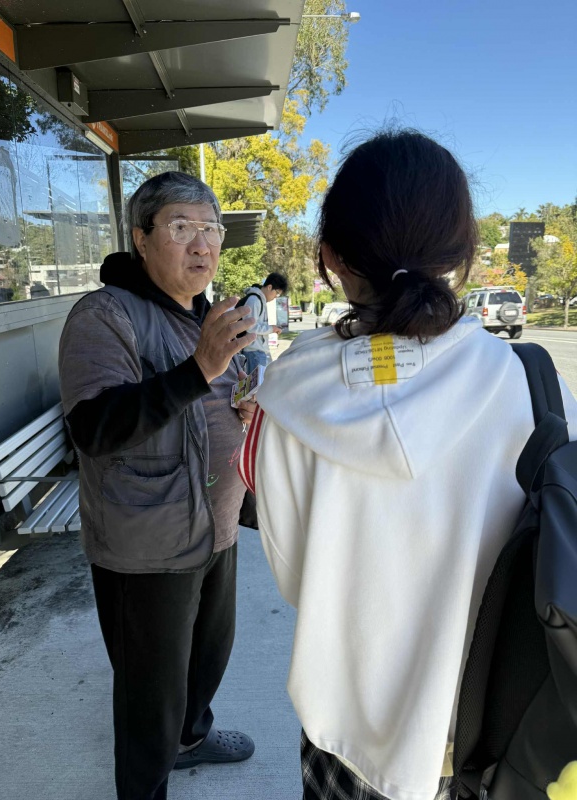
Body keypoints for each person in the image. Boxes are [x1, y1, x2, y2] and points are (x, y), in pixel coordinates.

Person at [239, 130, 577, 800]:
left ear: (331, 257)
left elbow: (295, 577)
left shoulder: (286, 399)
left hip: (349, 740)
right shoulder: (539, 385)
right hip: (504, 742)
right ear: (462, 252)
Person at [58, 171, 259, 800]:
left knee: (207, 659)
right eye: (181, 227)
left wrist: (244, 403)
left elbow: (210, 399)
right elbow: (95, 427)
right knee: (151, 697)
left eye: (211, 230)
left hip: (215, 525)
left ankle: (191, 740)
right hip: (146, 544)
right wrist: (200, 369)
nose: (202, 244)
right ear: (141, 239)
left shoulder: (205, 313)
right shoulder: (105, 315)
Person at [239, 272, 288, 372]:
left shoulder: (260, 300)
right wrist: (271, 329)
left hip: (258, 351)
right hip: (253, 351)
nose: (276, 296)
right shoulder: (254, 300)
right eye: (277, 293)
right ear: (269, 287)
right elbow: (250, 326)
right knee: (257, 382)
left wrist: (271, 328)